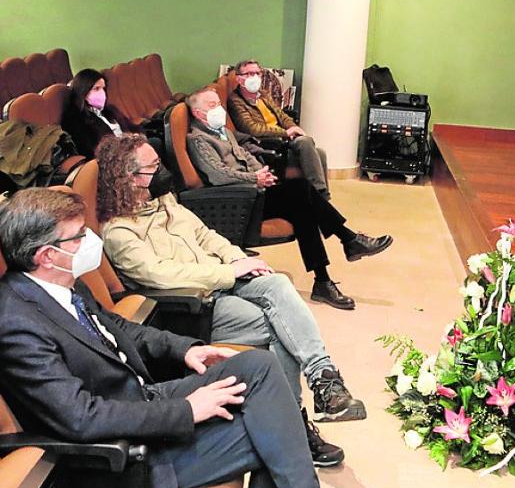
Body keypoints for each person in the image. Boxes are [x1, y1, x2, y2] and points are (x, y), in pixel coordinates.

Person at [0, 187, 402, 488]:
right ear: (46, 255)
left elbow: (119, 330)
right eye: (78, 236)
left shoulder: (58, 286)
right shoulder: (16, 322)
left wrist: (186, 350)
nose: (92, 241)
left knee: (257, 367)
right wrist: (188, 410)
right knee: (273, 436)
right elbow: (81, 419)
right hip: (125, 458)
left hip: (139, 399)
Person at [97, 134, 364, 456]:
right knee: (276, 325)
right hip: (194, 306)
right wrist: (227, 274)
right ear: (129, 178)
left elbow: (206, 235)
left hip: (222, 280)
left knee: (278, 285)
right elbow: (159, 274)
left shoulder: (164, 201)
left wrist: (238, 259)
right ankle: (297, 426)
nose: (163, 170)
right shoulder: (119, 231)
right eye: (154, 166)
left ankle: (324, 382)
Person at [185, 88, 391, 310]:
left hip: (254, 192)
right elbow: (217, 175)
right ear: (198, 114)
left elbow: (246, 156)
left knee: (303, 206)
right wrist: (254, 178)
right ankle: (349, 240)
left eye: (219, 103)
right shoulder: (198, 139)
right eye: (212, 105)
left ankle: (323, 279)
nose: (220, 109)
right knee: (301, 190)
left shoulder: (223, 131)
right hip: (237, 201)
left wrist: (263, 173)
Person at [227, 59, 329, 198]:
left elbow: (282, 115)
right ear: (239, 78)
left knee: (320, 153)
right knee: (305, 142)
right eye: (249, 74)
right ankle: (320, 195)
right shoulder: (235, 100)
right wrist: (286, 132)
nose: (255, 77)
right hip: (268, 142)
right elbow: (253, 128)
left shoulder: (263, 95)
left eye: (257, 73)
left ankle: (320, 197)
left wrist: (293, 127)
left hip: (283, 139)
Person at [61, 69, 139, 159]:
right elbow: (94, 150)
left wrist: (137, 138)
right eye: (97, 89)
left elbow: (133, 127)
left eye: (103, 88)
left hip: (130, 150)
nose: (102, 93)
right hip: (114, 160)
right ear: (83, 91)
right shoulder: (76, 120)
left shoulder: (110, 110)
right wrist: (125, 145)